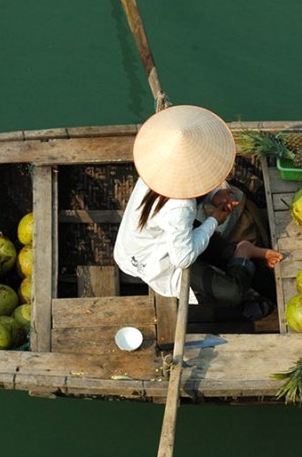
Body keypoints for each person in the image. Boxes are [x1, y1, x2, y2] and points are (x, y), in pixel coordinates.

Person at [113, 105, 283, 320]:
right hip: (155, 257)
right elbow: (183, 259)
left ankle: (241, 253)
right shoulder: (180, 206)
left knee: (216, 250)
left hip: (165, 236)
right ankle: (244, 253)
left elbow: (192, 178)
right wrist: (214, 219)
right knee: (232, 293)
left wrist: (215, 195)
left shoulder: (157, 166)